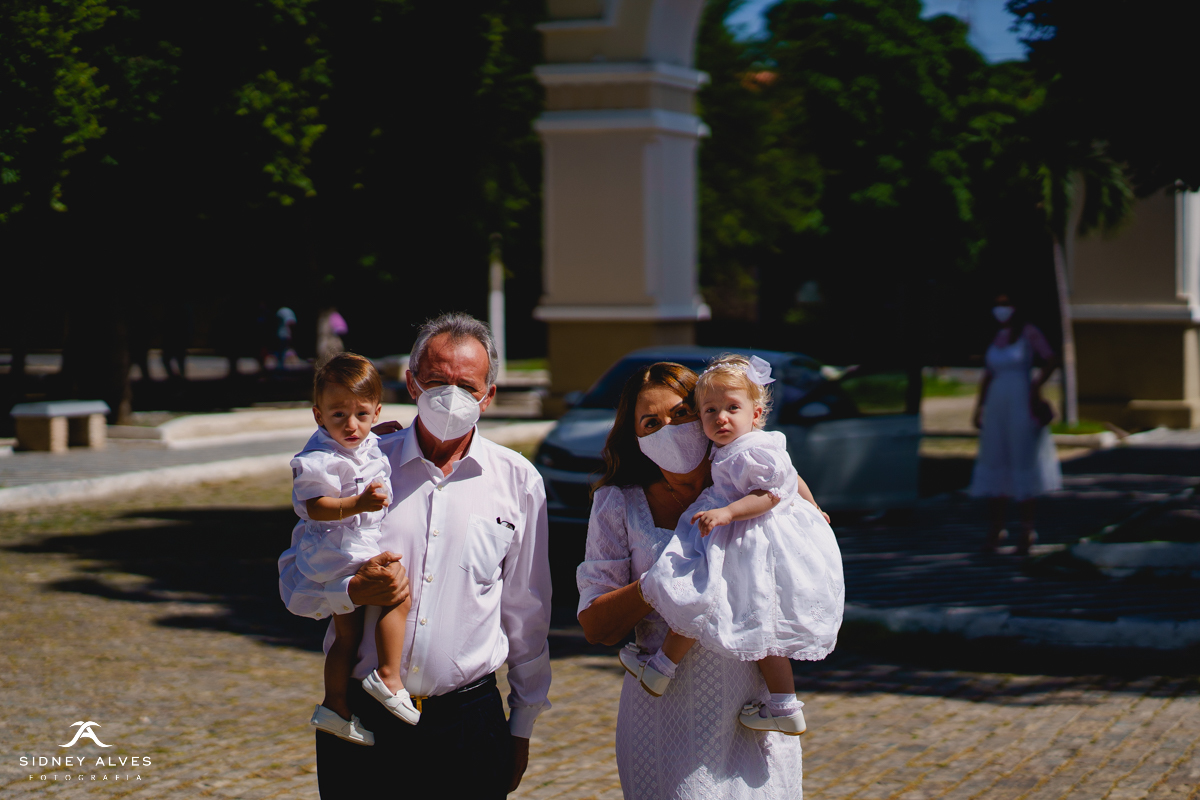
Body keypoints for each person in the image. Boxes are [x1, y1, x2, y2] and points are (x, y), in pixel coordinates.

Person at [278, 313, 551, 799]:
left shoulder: (518, 481)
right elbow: (296, 583)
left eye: (467, 386)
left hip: (470, 723)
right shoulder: (359, 468)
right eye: (437, 381)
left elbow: (526, 611)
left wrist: (522, 724)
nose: (451, 396)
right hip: (363, 720)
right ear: (411, 383)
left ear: (488, 395)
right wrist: (351, 590)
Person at [577, 362, 804, 799]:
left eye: (680, 414)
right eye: (651, 422)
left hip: (751, 709)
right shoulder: (618, 503)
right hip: (665, 713)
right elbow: (595, 626)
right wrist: (656, 586)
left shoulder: (747, 482)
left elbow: (793, 503)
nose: (669, 429)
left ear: (705, 411)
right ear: (635, 437)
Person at [633, 354, 844, 736]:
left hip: (750, 536)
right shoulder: (747, 446)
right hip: (746, 533)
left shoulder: (750, 449)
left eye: (732, 408)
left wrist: (729, 512)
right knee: (759, 626)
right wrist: (812, 504)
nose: (721, 418)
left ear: (756, 413)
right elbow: (792, 477)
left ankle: (662, 667)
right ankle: (783, 705)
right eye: (710, 411)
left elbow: (772, 492)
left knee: (702, 593)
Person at [289, 353, 419, 749]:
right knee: (396, 593)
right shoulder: (320, 458)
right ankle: (388, 676)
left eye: (362, 415)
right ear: (318, 415)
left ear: (376, 412)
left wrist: (378, 433)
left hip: (347, 546)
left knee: (346, 637)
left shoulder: (364, 441)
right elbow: (314, 506)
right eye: (338, 415)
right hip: (338, 551)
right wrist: (357, 504)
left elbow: (366, 442)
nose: (351, 425)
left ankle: (335, 706)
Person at [970, 293, 1063, 554]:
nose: (1001, 309)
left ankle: (1026, 528)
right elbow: (988, 374)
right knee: (995, 459)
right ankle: (996, 526)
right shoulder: (995, 336)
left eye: (1005, 304)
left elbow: (1051, 359)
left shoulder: (1027, 332)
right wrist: (979, 407)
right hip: (997, 403)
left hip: (1020, 400)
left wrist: (1036, 386)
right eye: (997, 304)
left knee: (1022, 458)